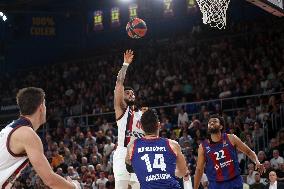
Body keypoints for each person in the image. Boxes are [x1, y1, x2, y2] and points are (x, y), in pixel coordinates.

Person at [0, 87, 81, 189]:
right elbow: (50, 180)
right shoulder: (27, 134)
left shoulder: (11, 128)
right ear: (41, 107)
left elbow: (9, 173)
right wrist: (74, 186)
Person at [194, 114, 265, 189]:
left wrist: (257, 161)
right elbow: (199, 169)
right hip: (216, 184)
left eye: (215, 121)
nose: (211, 123)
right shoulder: (203, 146)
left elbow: (249, 151)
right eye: (210, 122)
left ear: (221, 126)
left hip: (234, 182)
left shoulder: (231, 138)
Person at [125, 109, 189, 189]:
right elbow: (183, 172)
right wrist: (168, 173)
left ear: (141, 127)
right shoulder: (173, 145)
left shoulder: (132, 146)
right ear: (158, 125)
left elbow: (128, 165)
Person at [113, 50, 145, 189]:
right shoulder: (121, 109)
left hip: (139, 154)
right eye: (127, 93)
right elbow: (119, 82)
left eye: (132, 93)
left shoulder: (142, 115)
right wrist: (125, 64)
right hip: (122, 152)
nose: (131, 95)